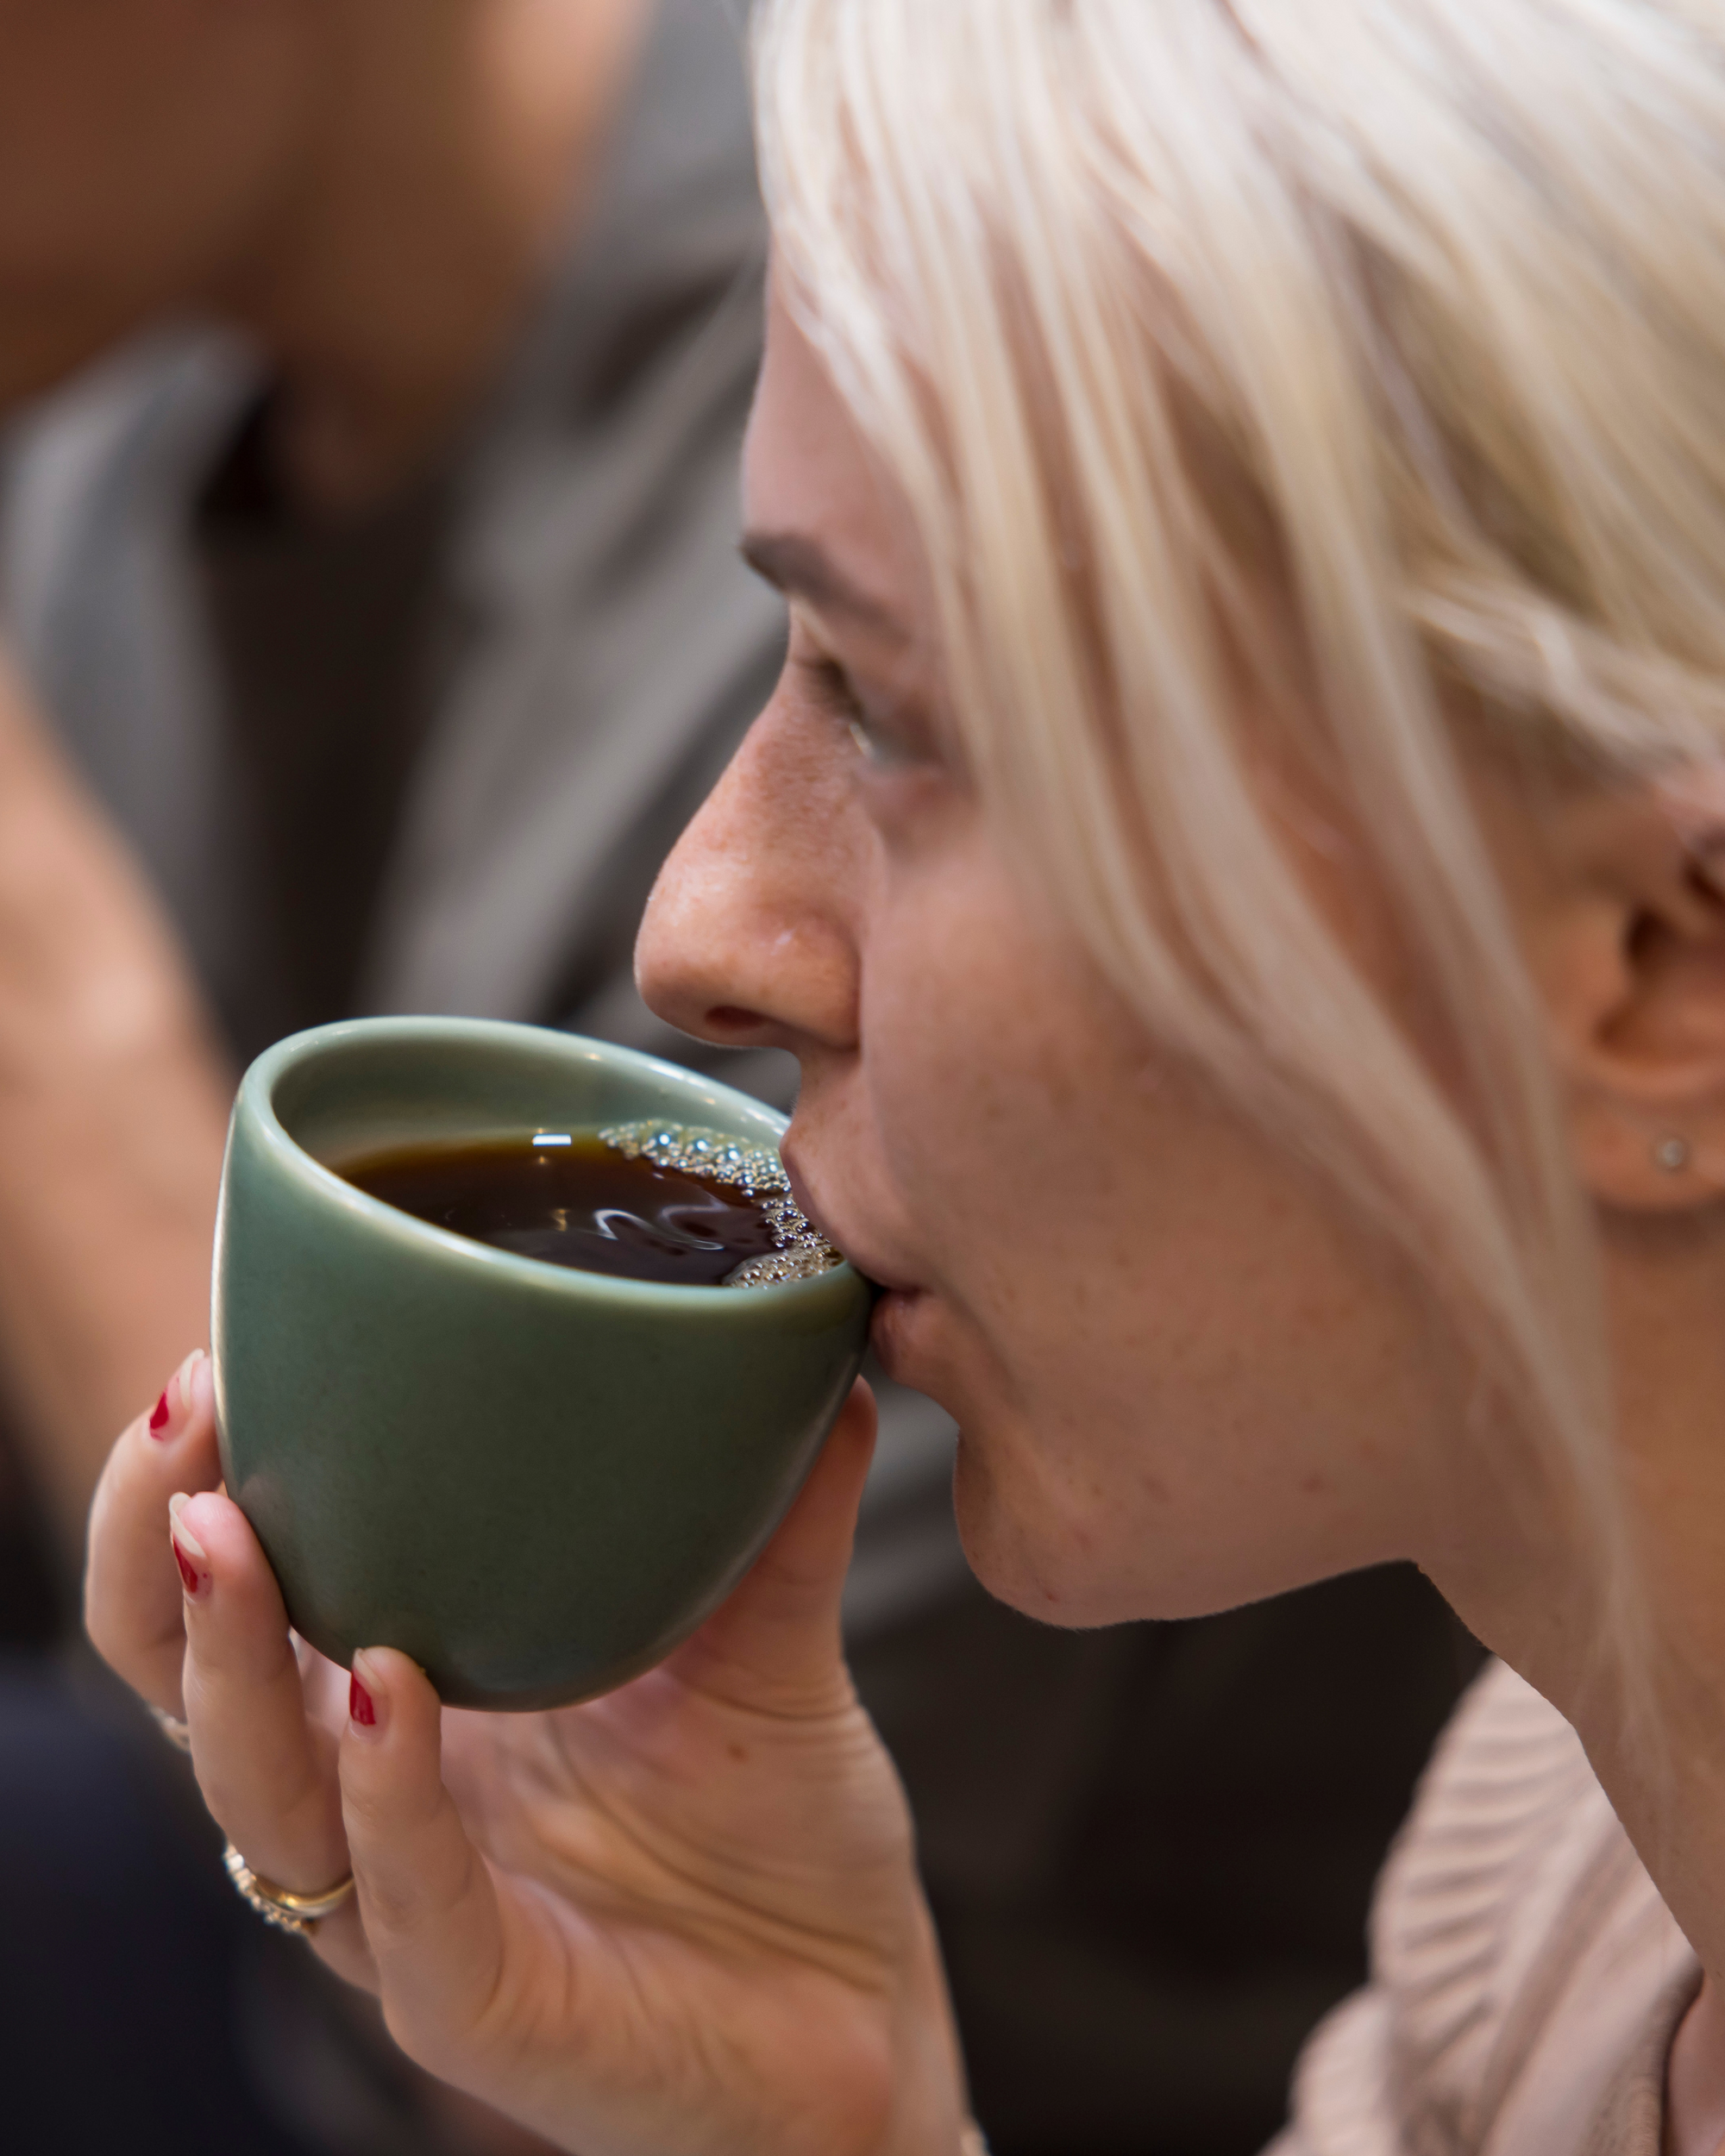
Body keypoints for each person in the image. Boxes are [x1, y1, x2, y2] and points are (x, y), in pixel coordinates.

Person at [86, 0, 1725, 2142]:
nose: (699, 931)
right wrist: (825, 2114)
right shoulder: (1545, 1859)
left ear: (1658, 966)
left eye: (894, 712)